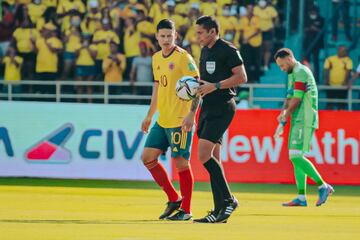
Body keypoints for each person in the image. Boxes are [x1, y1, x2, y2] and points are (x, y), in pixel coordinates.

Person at [141, 19, 200, 221]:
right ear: (157, 37)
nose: (166, 40)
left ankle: (187, 210)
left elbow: (197, 86)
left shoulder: (184, 58)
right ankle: (174, 198)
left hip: (180, 120)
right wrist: (150, 115)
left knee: (181, 163)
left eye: (169, 36)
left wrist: (192, 115)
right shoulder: (156, 57)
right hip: (163, 119)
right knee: (147, 157)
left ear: (176, 36)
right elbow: (158, 88)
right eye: (162, 36)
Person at [194, 15, 247, 223]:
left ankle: (228, 200)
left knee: (203, 155)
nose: (197, 36)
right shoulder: (205, 50)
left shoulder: (228, 49)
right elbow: (207, 80)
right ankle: (219, 211)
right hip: (208, 106)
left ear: (212, 32)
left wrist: (214, 86)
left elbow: (242, 77)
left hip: (223, 106)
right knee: (214, 158)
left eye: (200, 32)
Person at [274, 48, 334, 207]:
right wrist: (282, 122)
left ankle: (323, 186)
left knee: (295, 156)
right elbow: (288, 98)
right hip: (297, 119)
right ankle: (301, 197)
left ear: (289, 58)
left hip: (306, 117)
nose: (282, 69)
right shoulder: (292, 74)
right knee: (296, 158)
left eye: (282, 65)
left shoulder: (301, 72)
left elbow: (297, 99)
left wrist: (285, 116)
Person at [323, 45, 353, 110]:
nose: (345, 52)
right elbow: (325, 69)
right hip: (331, 86)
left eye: (345, 51)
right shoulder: (330, 59)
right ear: (338, 51)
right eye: (343, 51)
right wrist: (326, 80)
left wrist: (345, 82)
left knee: (341, 106)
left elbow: (348, 71)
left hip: (342, 87)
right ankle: (327, 119)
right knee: (329, 105)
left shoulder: (348, 60)